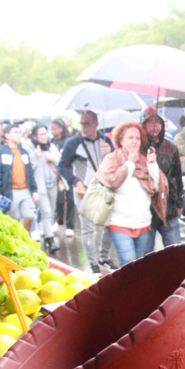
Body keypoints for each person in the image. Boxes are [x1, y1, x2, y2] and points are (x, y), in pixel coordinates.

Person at [95, 122, 169, 267]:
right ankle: (128, 290)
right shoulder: (111, 159)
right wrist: (130, 163)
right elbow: (113, 182)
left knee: (140, 265)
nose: (134, 141)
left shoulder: (144, 159)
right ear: (120, 140)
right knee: (128, 264)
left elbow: (159, 186)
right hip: (119, 223)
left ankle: (136, 290)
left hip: (143, 223)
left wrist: (152, 164)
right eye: (130, 138)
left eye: (137, 138)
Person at [59, 111, 115, 274]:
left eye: (87, 123)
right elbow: (62, 166)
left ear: (96, 124)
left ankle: (104, 257)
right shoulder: (72, 143)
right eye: (82, 123)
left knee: (109, 226)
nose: (84, 127)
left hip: (104, 189)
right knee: (88, 228)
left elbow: (114, 163)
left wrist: (109, 155)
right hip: (84, 190)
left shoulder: (106, 140)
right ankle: (93, 264)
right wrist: (76, 182)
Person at [140, 107, 184, 253]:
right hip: (146, 210)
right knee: (145, 258)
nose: (155, 126)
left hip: (169, 208)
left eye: (157, 122)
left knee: (174, 253)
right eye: (150, 122)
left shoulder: (170, 148)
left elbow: (177, 177)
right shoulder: (138, 148)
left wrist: (179, 203)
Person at [24, 125, 62, 254]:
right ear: (35, 136)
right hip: (40, 186)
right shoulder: (29, 148)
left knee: (51, 212)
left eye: (46, 133)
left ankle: (47, 235)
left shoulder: (51, 146)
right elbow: (30, 168)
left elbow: (60, 160)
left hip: (53, 183)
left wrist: (53, 158)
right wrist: (37, 157)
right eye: (42, 134)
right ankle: (50, 240)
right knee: (46, 212)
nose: (45, 137)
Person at [0, 125, 39, 230]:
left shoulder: (24, 152)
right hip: (11, 191)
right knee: (15, 219)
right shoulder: (2, 152)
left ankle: (26, 236)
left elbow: (30, 172)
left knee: (30, 216)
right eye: (15, 132)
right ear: (7, 135)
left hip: (26, 190)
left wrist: (34, 190)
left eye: (19, 132)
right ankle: (19, 240)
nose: (18, 135)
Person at [50, 118, 75, 239]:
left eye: (55, 128)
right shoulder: (51, 142)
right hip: (56, 175)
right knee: (59, 200)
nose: (53, 131)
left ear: (61, 128)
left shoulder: (68, 141)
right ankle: (59, 220)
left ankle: (70, 225)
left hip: (68, 173)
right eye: (52, 129)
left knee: (70, 200)